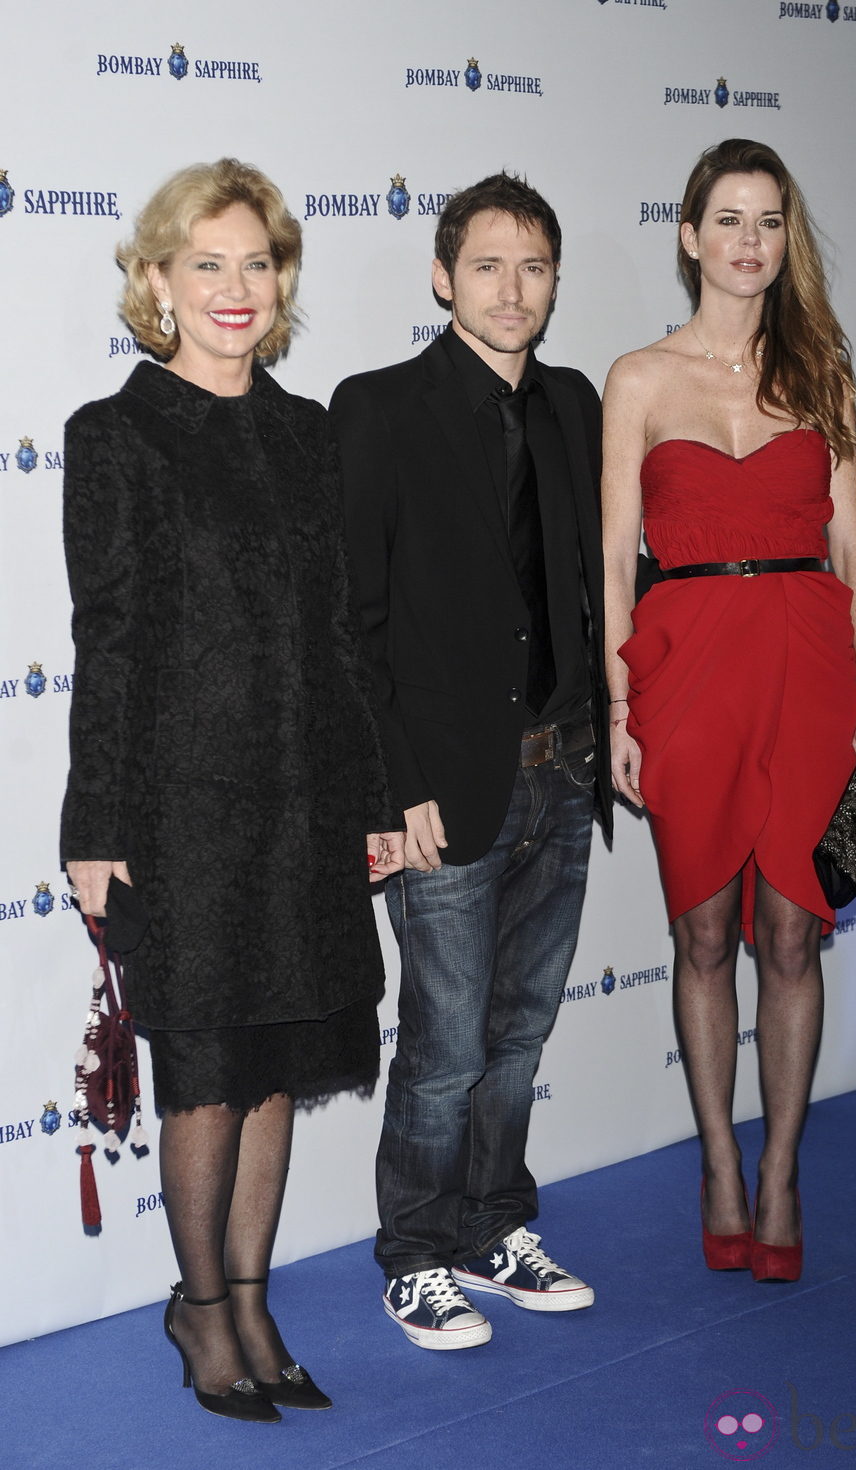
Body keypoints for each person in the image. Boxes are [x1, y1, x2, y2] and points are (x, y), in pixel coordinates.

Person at [61, 158, 404, 1421]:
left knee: (275, 1059)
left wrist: (371, 800)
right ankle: (199, 1311)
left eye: (255, 262)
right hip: (181, 808)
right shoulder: (117, 434)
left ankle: (254, 1298)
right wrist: (95, 826)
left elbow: (343, 640)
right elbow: (110, 638)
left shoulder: (307, 433)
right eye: (205, 263)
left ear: (282, 281)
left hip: (307, 796)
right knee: (205, 1063)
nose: (234, 287)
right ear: (156, 281)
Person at [601, 139, 856, 1284]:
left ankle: (778, 1170)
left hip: (807, 669)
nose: (746, 241)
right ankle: (715, 1164)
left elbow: (854, 549)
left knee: (790, 931)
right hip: (686, 671)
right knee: (701, 931)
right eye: (726, 219)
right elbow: (611, 566)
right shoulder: (637, 378)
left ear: (784, 243)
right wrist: (620, 709)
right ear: (687, 237)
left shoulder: (815, 366)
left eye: (767, 222)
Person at [330, 172, 611, 1349]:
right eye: (486, 264)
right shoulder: (377, 407)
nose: (511, 289)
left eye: (533, 266)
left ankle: (496, 1225)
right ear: (442, 277)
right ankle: (414, 1253)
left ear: (554, 283)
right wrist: (395, 785)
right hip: (444, 789)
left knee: (519, 1034)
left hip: (561, 768)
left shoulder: (576, 404)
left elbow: (587, 590)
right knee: (444, 1048)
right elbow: (351, 623)